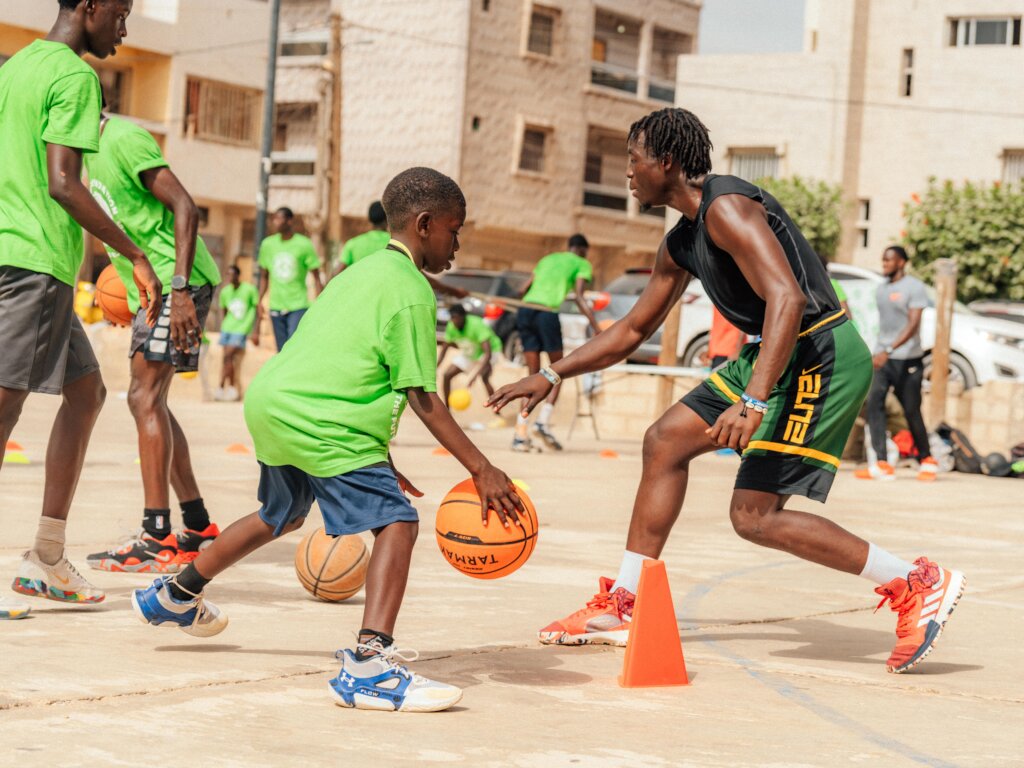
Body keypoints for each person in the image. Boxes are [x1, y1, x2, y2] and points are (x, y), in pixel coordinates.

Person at [488, 108, 964, 674]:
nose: (628, 173)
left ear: (666, 161)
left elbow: (786, 297)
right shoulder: (682, 241)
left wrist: (754, 400)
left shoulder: (727, 208)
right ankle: (625, 603)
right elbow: (633, 329)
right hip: (770, 354)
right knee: (664, 441)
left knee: (754, 516)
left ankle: (916, 582)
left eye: (633, 160)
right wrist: (552, 373)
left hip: (819, 353)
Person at [131, 167, 524, 712]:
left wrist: (378, 456)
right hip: (321, 418)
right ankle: (369, 666)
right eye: (454, 231)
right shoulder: (410, 290)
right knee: (397, 522)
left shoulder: (360, 272)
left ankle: (175, 594)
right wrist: (482, 468)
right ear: (426, 224)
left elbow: (345, 363)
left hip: (275, 402)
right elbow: (421, 396)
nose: (457, 244)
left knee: (281, 514)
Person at [0, 0, 162, 619]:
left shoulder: (18, 67)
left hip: (25, 258)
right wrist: (134, 256)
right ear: (90, 6)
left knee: (87, 391)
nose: (124, 27)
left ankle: (45, 556)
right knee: (5, 406)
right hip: (32, 260)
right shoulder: (73, 75)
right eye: (120, 13)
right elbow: (63, 181)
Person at [79, 111, 221, 573]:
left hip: (179, 283)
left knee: (143, 398)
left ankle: (157, 537)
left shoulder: (124, 139)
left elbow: (185, 205)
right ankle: (197, 526)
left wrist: (180, 288)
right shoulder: (83, 155)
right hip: (153, 289)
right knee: (151, 402)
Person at [855, 245, 938, 483]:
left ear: (901, 262)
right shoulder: (881, 289)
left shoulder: (914, 287)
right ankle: (881, 463)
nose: (885, 264)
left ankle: (927, 460)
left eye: (889, 260)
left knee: (911, 410)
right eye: (883, 260)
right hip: (883, 358)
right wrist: (881, 350)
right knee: (874, 404)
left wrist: (890, 349)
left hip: (908, 359)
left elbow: (912, 325)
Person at [512, 234, 601, 452]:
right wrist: (597, 328)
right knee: (557, 371)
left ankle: (520, 434)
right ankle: (542, 422)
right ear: (582, 250)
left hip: (526, 310)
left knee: (532, 374)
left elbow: (523, 289)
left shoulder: (548, 259)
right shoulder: (582, 263)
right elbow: (580, 297)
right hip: (546, 313)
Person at [254, 207, 323, 350]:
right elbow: (264, 277)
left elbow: (316, 277)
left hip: (298, 305)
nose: (275, 222)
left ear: (290, 221)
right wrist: (259, 301)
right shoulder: (268, 244)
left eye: (279, 218)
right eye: (274, 219)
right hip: (276, 305)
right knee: (281, 350)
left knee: (293, 346)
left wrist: (321, 302)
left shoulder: (304, 244)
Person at [437, 303, 501, 406]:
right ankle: (447, 410)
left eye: (456, 318)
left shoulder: (476, 324)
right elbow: (444, 349)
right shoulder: (451, 326)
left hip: (491, 351)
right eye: (452, 318)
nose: (454, 321)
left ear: (463, 316)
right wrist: (436, 366)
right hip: (471, 351)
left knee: (484, 376)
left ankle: (496, 408)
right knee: (447, 375)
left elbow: (487, 354)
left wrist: (474, 376)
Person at [216, 264, 259, 401]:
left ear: (238, 275)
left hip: (241, 329)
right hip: (228, 328)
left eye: (232, 274)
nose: (230, 277)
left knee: (228, 356)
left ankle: (223, 386)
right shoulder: (225, 292)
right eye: (228, 274)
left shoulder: (249, 289)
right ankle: (229, 389)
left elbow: (257, 309)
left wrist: (254, 331)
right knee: (227, 360)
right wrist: (224, 326)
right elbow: (223, 311)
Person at [333, 200, 389, 277]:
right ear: (387, 218)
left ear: (369, 219)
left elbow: (336, 274)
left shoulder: (353, 244)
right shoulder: (395, 243)